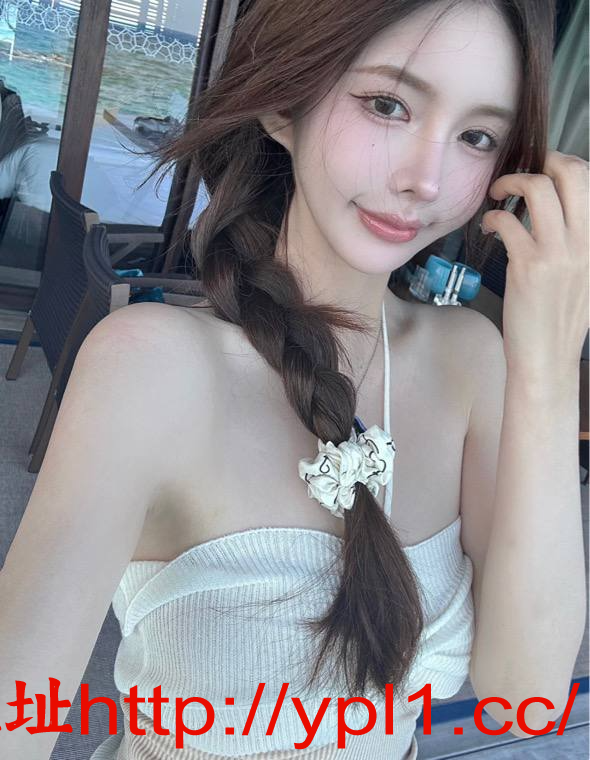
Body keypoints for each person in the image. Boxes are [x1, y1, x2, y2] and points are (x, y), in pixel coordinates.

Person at [0, 1, 588, 759]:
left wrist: (548, 367)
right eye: (387, 105)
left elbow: (525, 698)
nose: (427, 179)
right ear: (284, 103)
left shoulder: (470, 361)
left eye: (476, 137)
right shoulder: (152, 369)